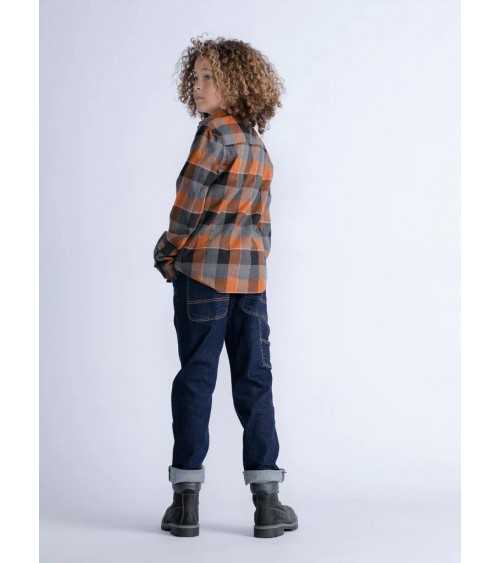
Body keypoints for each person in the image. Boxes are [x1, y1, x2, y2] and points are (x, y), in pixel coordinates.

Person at [153, 36, 298, 538]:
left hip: (203, 280)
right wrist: (255, 266)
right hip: (250, 283)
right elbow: (262, 222)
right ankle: (268, 503)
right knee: (255, 382)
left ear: (236, 83)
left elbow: (187, 207)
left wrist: (167, 252)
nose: (198, 86)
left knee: (196, 379)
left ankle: (185, 503)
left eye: (209, 76)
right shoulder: (256, 143)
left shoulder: (214, 134)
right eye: (195, 77)